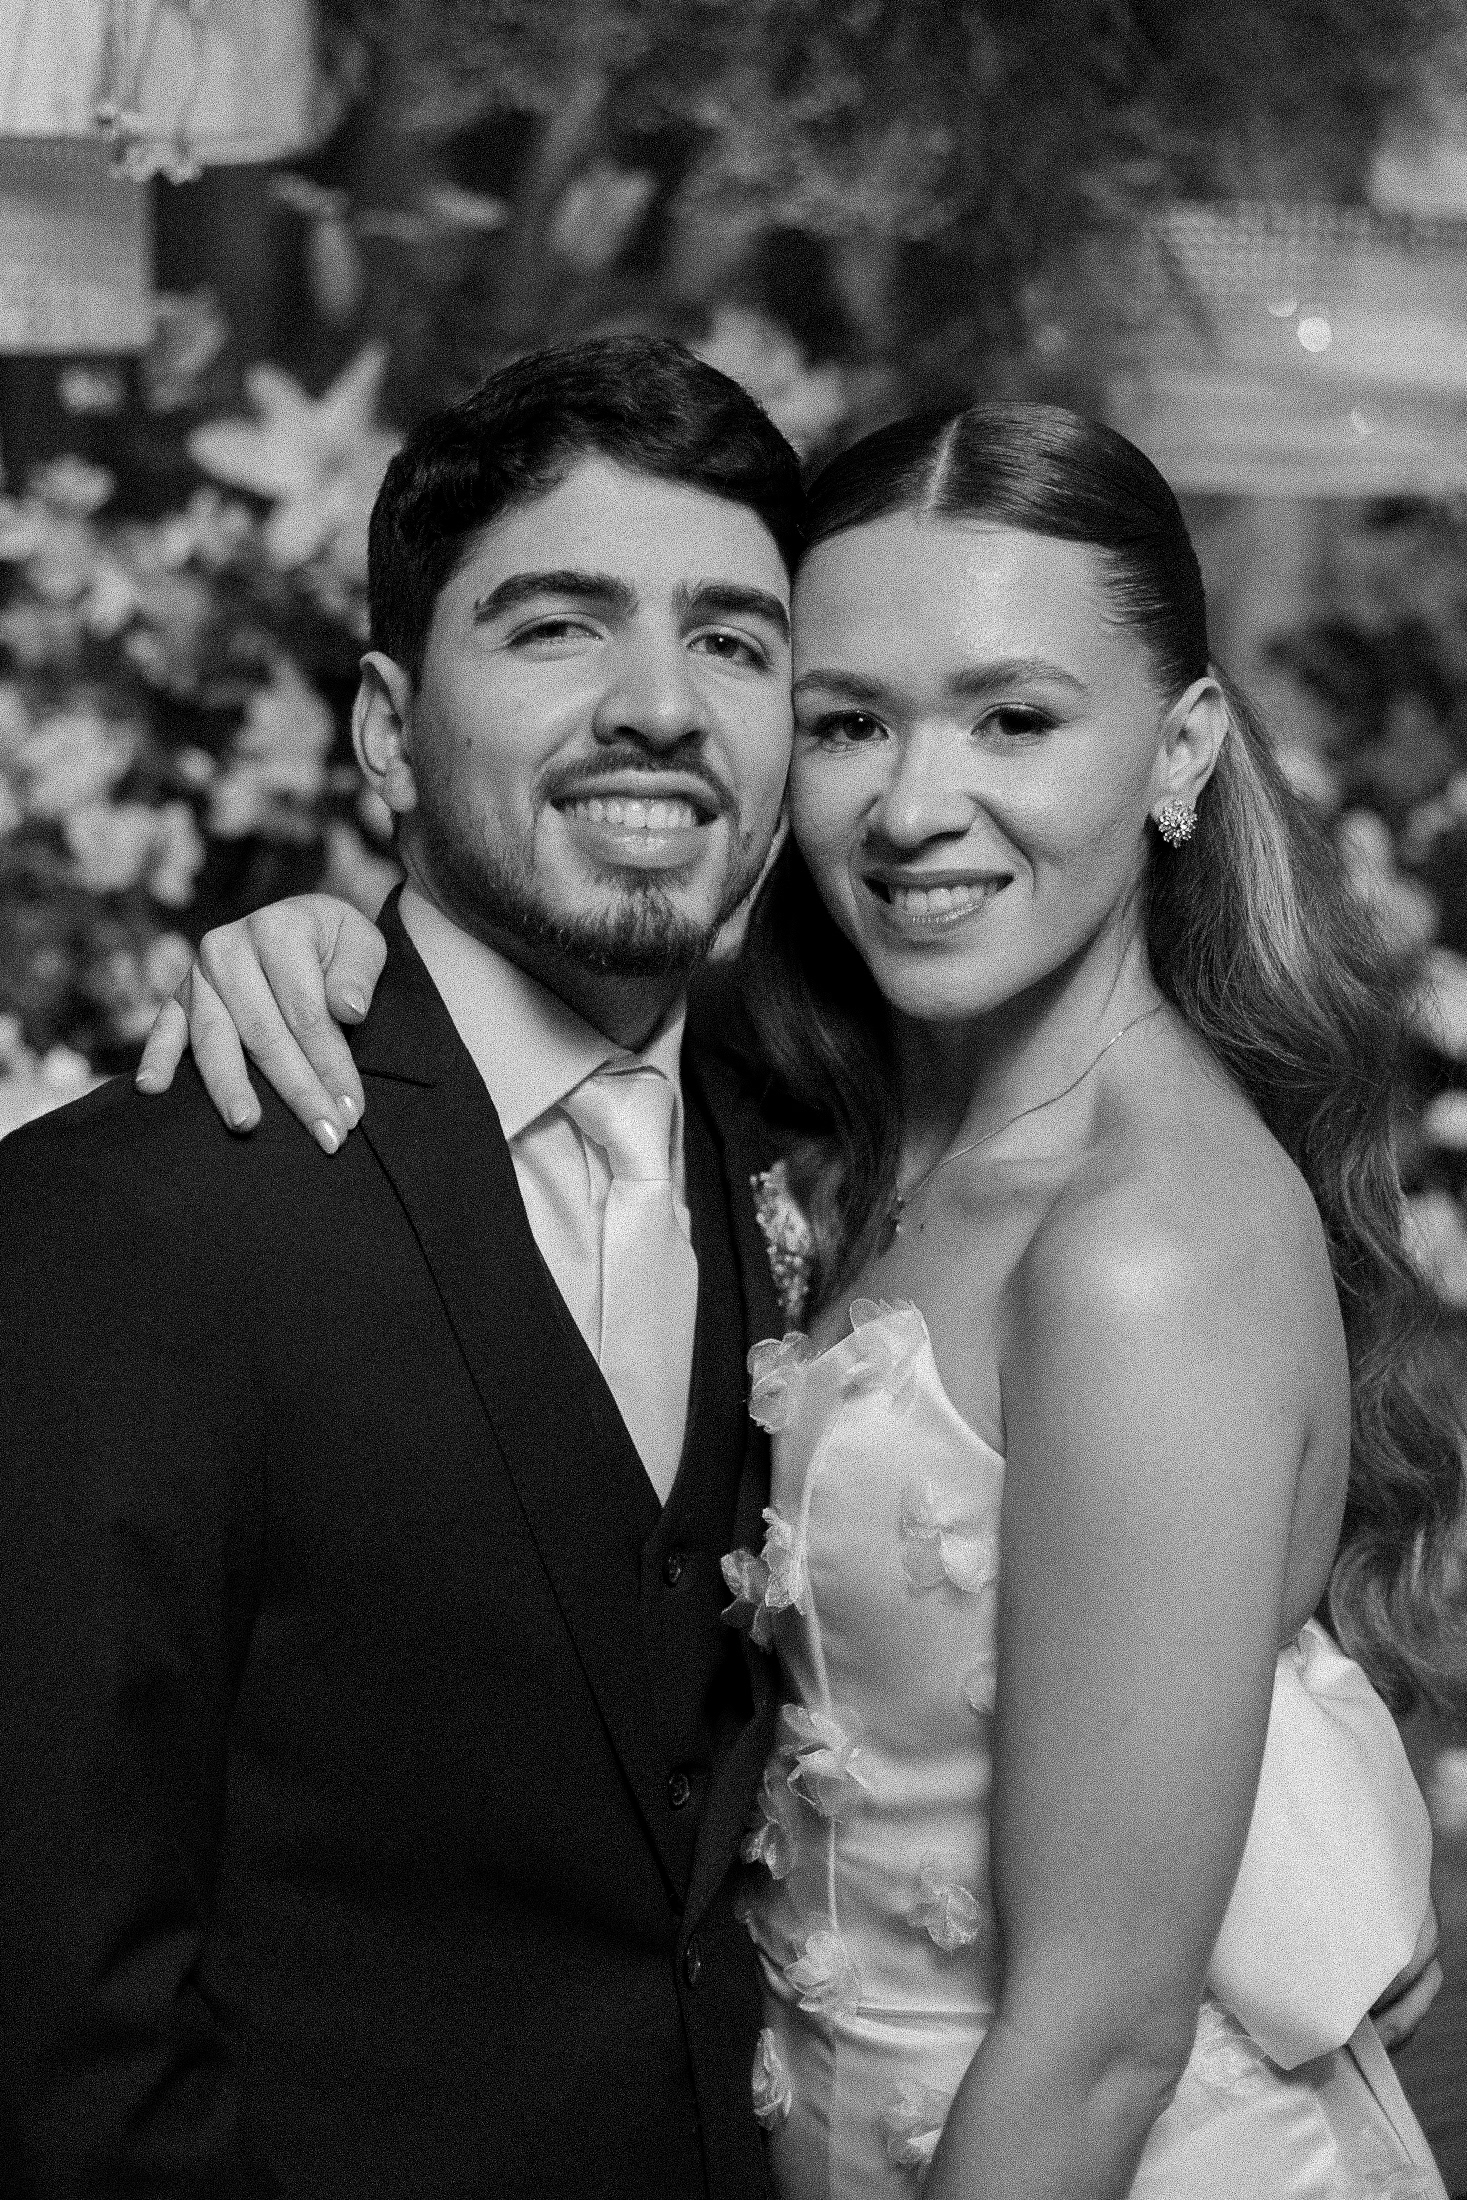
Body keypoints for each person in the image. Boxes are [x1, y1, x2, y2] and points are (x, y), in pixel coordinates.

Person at [145, 399, 1463, 2198]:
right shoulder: (827, 1124)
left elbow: (1097, 2044)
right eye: (847, 722)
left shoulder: (1142, 1247)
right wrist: (321, 949)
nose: (914, 807)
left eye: (1013, 719)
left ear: (1182, 749)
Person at [0, 335, 805, 2198]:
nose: (662, 707)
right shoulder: (128, 1221)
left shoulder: (833, 1163)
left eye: (733, 641)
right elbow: (61, 2010)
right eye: (559, 628)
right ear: (382, 729)